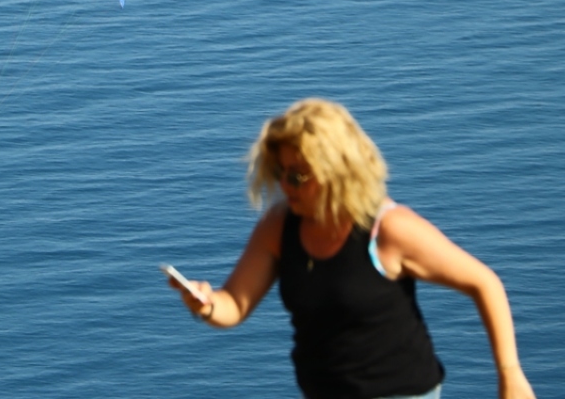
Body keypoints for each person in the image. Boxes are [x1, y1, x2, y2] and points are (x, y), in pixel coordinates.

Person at [167, 98, 536, 399]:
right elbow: (236, 303)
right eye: (280, 173)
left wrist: (510, 376)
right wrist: (207, 303)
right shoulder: (279, 227)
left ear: (335, 169)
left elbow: (484, 283)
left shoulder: (390, 230)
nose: (285, 185)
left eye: (297, 175)